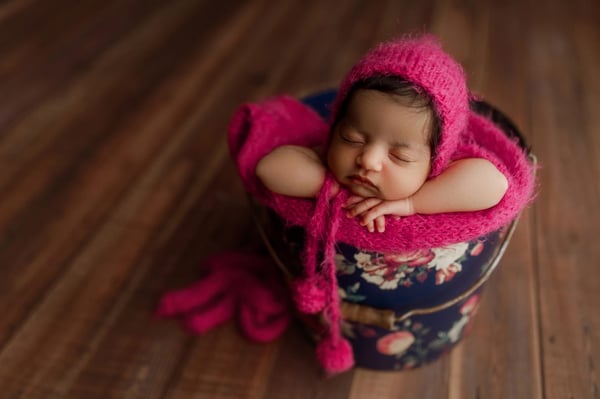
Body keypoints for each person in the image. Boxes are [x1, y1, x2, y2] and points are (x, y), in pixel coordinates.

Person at [256, 75, 508, 233]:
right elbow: (269, 169)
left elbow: (495, 184)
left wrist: (411, 203)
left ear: (435, 162)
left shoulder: (443, 174)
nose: (368, 160)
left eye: (401, 156)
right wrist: (334, 189)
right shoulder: (326, 155)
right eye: (351, 139)